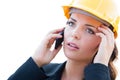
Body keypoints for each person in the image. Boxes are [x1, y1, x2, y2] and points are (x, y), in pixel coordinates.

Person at [8, 0, 120, 80]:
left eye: (89, 30)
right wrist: (36, 61)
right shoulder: (38, 73)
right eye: (71, 23)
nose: (74, 33)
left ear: (105, 42)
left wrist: (100, 67)